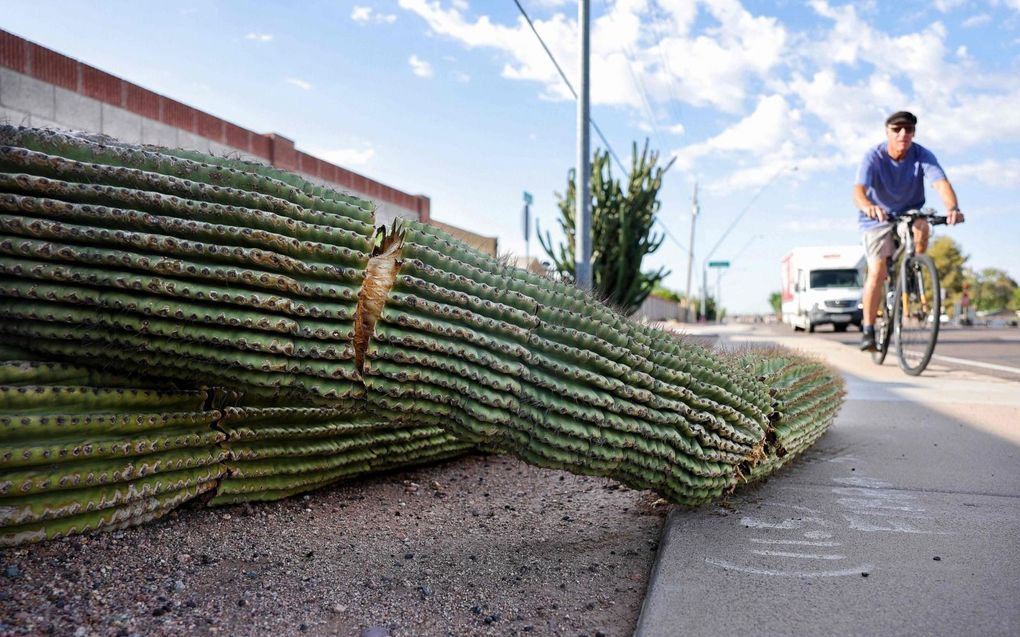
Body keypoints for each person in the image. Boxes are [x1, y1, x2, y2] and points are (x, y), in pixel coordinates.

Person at [853, 110, 964, 352]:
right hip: (877, 217)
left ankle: (914, 267)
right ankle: (869, 330)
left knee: (923, 225)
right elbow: (859, 191)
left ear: (914, 132)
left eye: (909, 130)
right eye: (897, 129)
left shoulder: (922, 154)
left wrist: (953, 208)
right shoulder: (874, 156)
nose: (903, 134)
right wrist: (868, 206)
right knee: (877, 270)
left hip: (909, 211)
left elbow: (940, 183)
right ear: (887, 132)